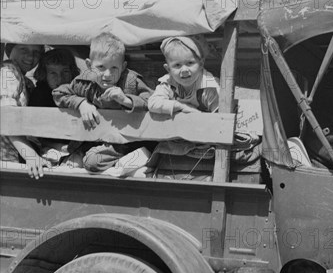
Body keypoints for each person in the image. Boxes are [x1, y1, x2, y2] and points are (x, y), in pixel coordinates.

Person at [53, 32, 152, 172]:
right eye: (101, 67)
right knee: (72, 159)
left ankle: (139, 154)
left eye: (114, 68)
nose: (107, 74)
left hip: (123, 142)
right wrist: (81, 103)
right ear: (89, 65)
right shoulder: (84, 82)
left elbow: (151, 100)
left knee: (91, 162)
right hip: (93, 139)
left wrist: (126, 100)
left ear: (123, 67)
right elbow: (59, 93)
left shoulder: (130, 81)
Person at [0, 43, 47, 178]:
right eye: (23, 49)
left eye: (36, 52)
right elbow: (6, 116)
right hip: (6, 160)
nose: (30, 56)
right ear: (9, 50)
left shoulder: (25, 81)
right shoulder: (8, 72)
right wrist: (31, 156)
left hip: (14, 158)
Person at [148, 36, 219, 115]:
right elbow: (153, 103)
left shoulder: (209, 87)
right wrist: (182, 106)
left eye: (190, 63)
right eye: (177, 65)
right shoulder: (168, 83)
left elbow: (221, 116)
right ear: (168, 69)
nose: (184, 70)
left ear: (201, 64)